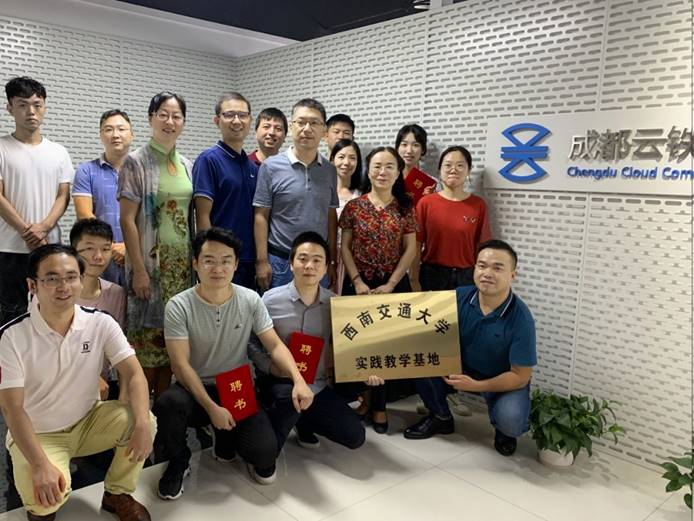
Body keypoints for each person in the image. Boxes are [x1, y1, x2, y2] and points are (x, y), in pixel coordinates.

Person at [153, 227, 313, 499]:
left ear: (236, 264)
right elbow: (180, 366)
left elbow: (274, 345)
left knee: (264, 455)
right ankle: (179, 461)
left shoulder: (250, 299)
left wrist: (299, 379)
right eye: (209, 260)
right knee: (168, 403)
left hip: (235, 385)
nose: (218, 268)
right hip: (195, 386)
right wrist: (212, 407)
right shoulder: (179, 306)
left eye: (226, 261)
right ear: (195, 263)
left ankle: (227, 438)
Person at [0, 244, 155, 521]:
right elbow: (12, 408)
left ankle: (117, 493)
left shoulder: (100, 323)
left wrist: (142, 423)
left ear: (81, 280)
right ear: (32, 285)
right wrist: (40, 465)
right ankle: (43, 506)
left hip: (88, 421)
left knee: (144, 420)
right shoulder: (12, 336)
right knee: (46, 499)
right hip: (40, 433)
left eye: (71, 277)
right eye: (52, 278)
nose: (64, 286)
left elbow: (134, 374)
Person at [403, 240, 537, 458]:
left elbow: (521, 376)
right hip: (461, 368)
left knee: (512, 419)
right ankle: (440, 417)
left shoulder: (521, 318)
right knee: (420, 355)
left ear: (513, 275)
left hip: (502, 378)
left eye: (497, 268)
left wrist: (478, 385)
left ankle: (503, 431)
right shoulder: (459, 296)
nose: (487, 273)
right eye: (482, 265)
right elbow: (426, 328)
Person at [252, 231, 365, 451]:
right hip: (281, 381)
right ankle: (272, 435)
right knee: (275, 428)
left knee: (355, 436)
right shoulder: (269, 301)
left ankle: (303, 421)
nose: (309, 266)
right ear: (291, 264)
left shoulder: (335, 304)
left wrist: (366, 370)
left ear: (325, 268)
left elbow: (349, 347)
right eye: (302, 259)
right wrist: (269, 367)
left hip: (317, 384)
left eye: (317, 260)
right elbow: (251, 343)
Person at [118, 91, 194, 399]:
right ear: (151, 118)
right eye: (163, 114)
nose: (169, 121)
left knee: (172, 340)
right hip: (150, 265)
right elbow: (127, 220)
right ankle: (141, 412)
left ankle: (163, 409)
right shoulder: (135, 162)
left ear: (183, 123)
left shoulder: (187, 164)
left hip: (182, 267)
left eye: (176, 116)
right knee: (147, 342)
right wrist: (139, 270)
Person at [339, 146, 417, 433]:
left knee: (386, 345)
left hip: (392, 284)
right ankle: (365, 398)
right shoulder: (354, 207)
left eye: (389, 167)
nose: (382, 172)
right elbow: (345, 247)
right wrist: (357, 280)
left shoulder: (405, 207)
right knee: (361, 343)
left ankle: (380, 406)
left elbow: (410, 249)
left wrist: (392, 284)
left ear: (398, 173)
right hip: (360, 283)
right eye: (377, 166)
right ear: (368, 171)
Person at [0, 77, 73, 325]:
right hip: (9, 248)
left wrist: (44, 228)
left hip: (49, 245)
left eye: (37, 104)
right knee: (12, 315)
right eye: (22, 105)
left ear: (44, 108)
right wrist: (27, 231)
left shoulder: (59, 152)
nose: (31, 111)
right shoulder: (2, 147)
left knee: (52, 309)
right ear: (10, 108)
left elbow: (63, 195)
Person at [253, 98, 338, 291]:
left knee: (318, 310)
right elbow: (261, 216)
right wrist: (262, 261)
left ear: (324, 131)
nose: (307, 128)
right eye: (301, 122)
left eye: (314, 123)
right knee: (276, 311)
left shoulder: (329, 170)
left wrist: (332, 260)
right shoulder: (270, 167)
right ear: (291, 127)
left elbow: (330, 215)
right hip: (280, 262)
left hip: (318, 263)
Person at [193, 92, 259, 289]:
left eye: (243, 115)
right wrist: (209, 259)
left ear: (250, 120)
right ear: (217, 121)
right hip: (221, 262)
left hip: (249, 259)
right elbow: (202, 216)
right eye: (229, 115)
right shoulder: (208, 160)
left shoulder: (252, 167)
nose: (237, 121)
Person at [410, 145, 491, 291]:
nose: (453, 169)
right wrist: (414, 279)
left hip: (466, 277)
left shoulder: (478, 205)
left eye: (460, 165)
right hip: (432, 276)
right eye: (448, 165)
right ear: (439, 170)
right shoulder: (426, 203)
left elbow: (483, 247)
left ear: (468, 171)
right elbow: (415, 244)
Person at [72, 109, 134, 287]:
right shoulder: (86, 171)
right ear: (101, 135)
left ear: (132, 135)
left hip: (138, 255)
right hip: (100, 256)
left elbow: (152, 217)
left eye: (121, 129)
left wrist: (128, 247)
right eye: (108, 129)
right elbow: (84, 215)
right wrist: (110, 247)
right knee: (102, 302)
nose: (115, 135)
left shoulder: (144, 172)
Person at [70, 218, 127, 400]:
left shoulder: (116, 294)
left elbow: (120, 350)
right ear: (73, 251)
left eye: (105, 249)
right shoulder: (56, 294)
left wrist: (124, 399)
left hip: (102, 390)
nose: (98, 256)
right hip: (60, 386)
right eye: (89, 249)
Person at [330, 138, 362, 295]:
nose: (346, 162)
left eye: (352, 158)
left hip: (353, 261)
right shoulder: (323, 191)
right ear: (332, 159)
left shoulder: (361, 195)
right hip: (327, 257)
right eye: (341, 157)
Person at [395, 124, 436, 207]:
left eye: (415, 145)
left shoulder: (431, 184)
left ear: (423, 149)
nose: (409, 151)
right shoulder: (387, 179)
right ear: (397, 148)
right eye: (404, 144)